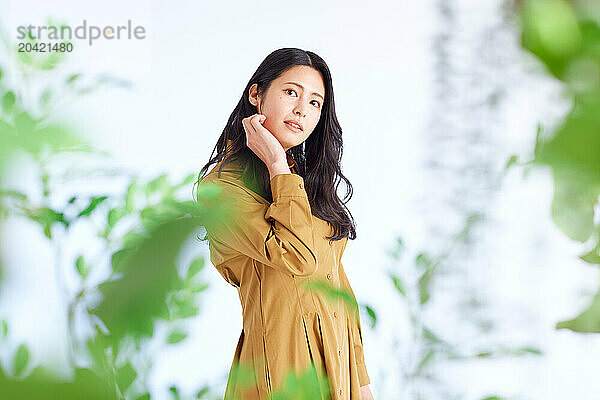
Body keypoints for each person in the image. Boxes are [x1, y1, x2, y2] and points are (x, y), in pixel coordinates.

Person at [195, 48, 374, 400]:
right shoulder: (223, 187)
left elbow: (337, 288)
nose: (301, 110)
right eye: (291, 92)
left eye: (315, 103)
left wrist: (363, 387)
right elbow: (297, 257)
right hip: (277, 379)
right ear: (256, 94)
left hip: (338, 380)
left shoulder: (305, 183)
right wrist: (277, 163)